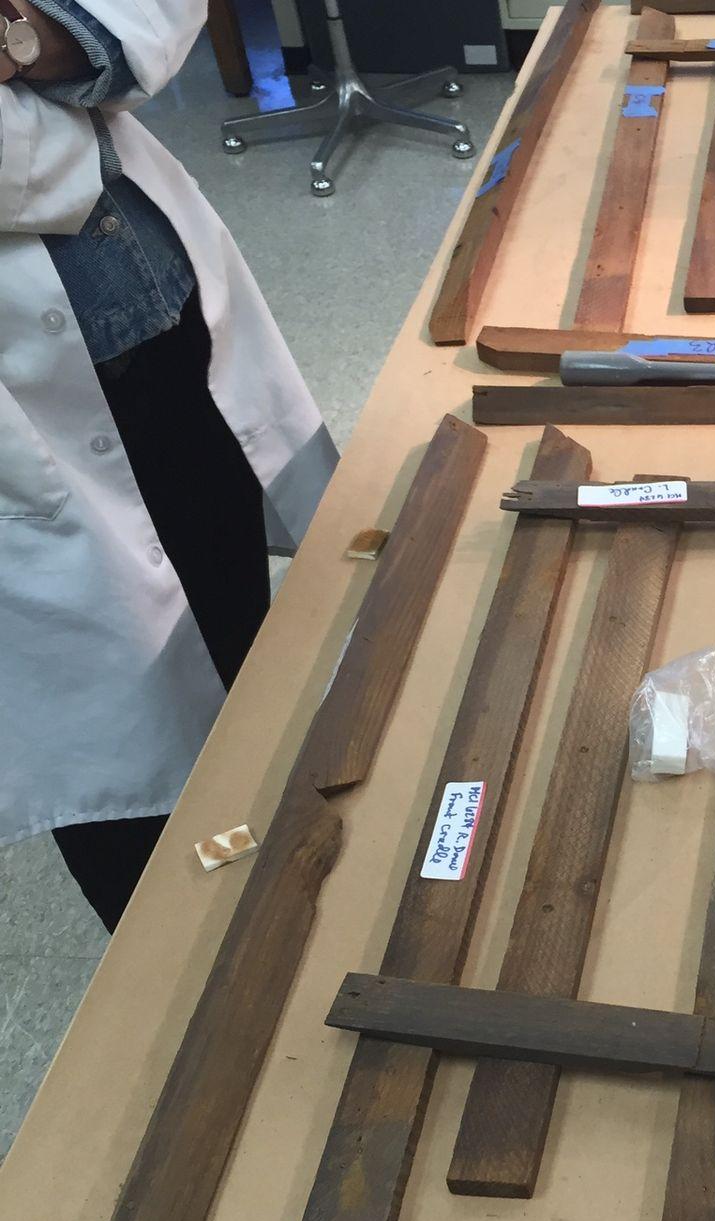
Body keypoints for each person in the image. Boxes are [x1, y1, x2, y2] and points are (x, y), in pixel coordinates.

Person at [0, 0, 336, 931]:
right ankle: (190, 974)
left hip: (163, 311)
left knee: (243, 642)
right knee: (119, 758)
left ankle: (293, 893)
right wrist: (46, 90)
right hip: (28, 431)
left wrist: (31, 39)